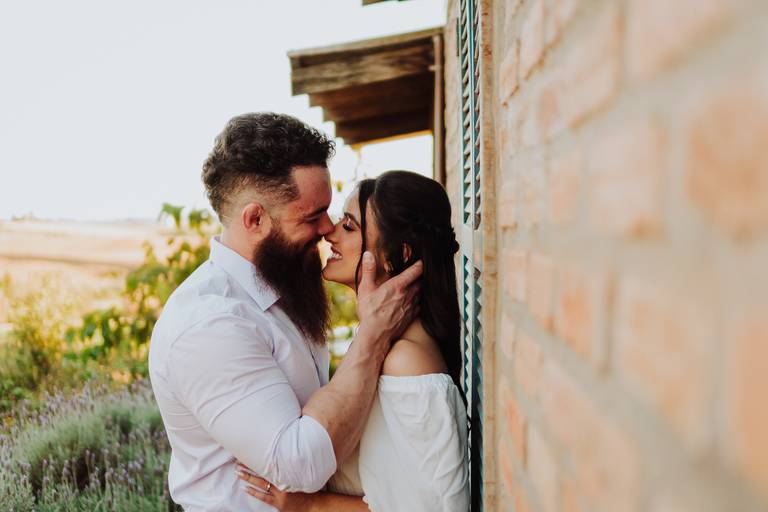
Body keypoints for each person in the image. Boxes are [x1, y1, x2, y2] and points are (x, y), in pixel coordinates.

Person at [148, 113, 423, 511]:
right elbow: (299, 465)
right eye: (312, 216)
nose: (328, 228)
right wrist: (373, 336)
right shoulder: (210, 325)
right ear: (255, 219)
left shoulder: (285, 287)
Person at [237, 171, 470, 511]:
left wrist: (311, 505)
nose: (330, 232)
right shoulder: (382, 343)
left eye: (349, 226)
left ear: (395, 256)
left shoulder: (407, 362)